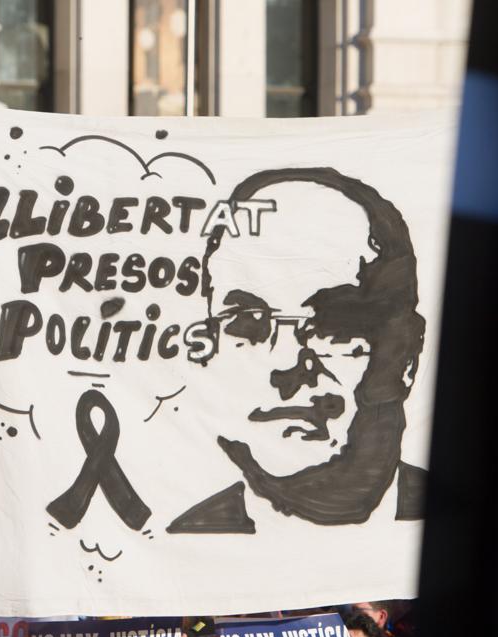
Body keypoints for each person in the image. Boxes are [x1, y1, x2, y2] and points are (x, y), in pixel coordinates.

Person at [175, 168, 429, 531]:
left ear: (406, 356)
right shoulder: (178, 546)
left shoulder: (469, 535)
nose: (286, 365)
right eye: (247, 322)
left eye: (335, 328)